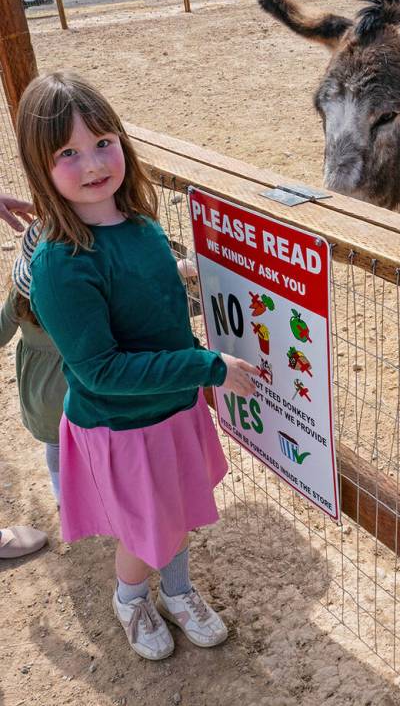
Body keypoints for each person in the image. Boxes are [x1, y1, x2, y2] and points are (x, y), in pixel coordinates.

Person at [17, 71, 260, 661]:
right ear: (41, 167)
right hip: (123, 425)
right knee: (145, 529)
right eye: (68, 153)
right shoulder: (60, 262)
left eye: (103, 142)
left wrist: (177, 275)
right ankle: (131, 599)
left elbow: (142, 298)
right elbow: (100, 370)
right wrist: (207, 367)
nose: (94, 163)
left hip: (172, 410)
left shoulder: (144, 227)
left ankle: (176, 592)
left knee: (174, 512)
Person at [0, 219, 67, 506]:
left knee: (55, 444)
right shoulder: (81, 299)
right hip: (82, 385)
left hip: (41, 391)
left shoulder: (19, 298)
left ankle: (62, 494)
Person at [0, 193, 49, 561]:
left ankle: (68, 500)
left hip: (39, 397)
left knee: (57, 451)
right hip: (83, 397)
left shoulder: (19, 299)